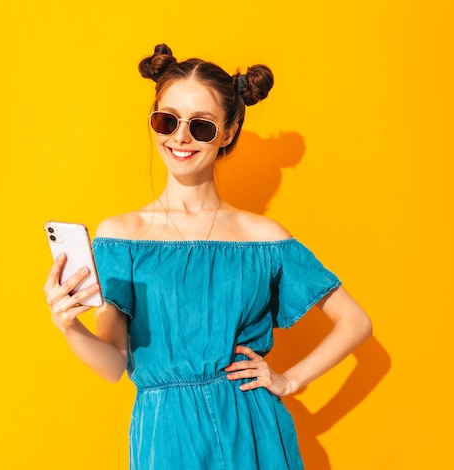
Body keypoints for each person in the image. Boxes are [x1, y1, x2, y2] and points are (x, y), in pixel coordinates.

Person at [44, 44, 372, 470]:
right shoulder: (120, 236)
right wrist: (68, 326)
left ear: (229, 130)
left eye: (200, 126)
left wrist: (290, 379)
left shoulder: (264, 238)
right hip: (167, 438)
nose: (180, 137)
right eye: (167, 120)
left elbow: (356, 321)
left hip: (254, 430)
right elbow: (112, 365)